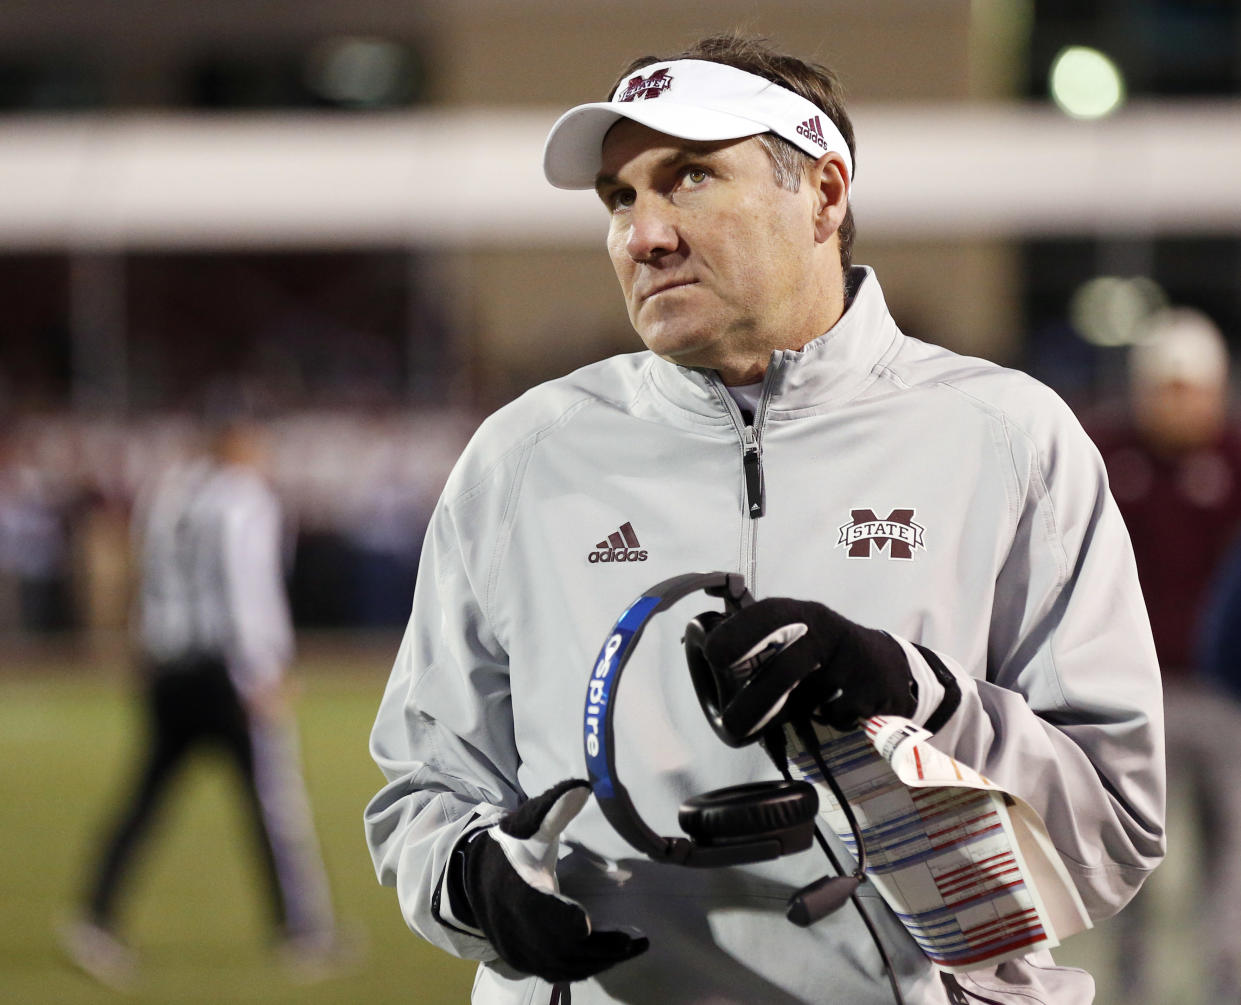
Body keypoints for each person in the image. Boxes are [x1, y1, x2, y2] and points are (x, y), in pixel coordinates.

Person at [365, 34, 1165, 1004]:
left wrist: (911, 692)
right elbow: (422, 784)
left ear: (823, 194)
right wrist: (470, 880)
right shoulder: (522, 457)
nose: (642, 235)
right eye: (619, 199)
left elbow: (1111, 825)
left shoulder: (1005, 437)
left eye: (688, 178)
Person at [61, 416, 342, 988]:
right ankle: (304, 931)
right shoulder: (243, 499)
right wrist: (264, 669)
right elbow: (247, 585)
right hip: (226, 672)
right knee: (273, 802)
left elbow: (150, 580)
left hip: (169, 667)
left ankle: (95, 918)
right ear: (239, 445)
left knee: (146, 797)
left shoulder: (169, 494)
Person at [1091, 308, 1241, 1003]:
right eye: (1165, 387)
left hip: (1222, 697)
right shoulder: (1106, 457)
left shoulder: (1233, 463)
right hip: (1131, 697)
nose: (1177, 403)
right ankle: (1130, 992)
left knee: (1230, 862)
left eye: (1191, 388)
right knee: (1128, 860)